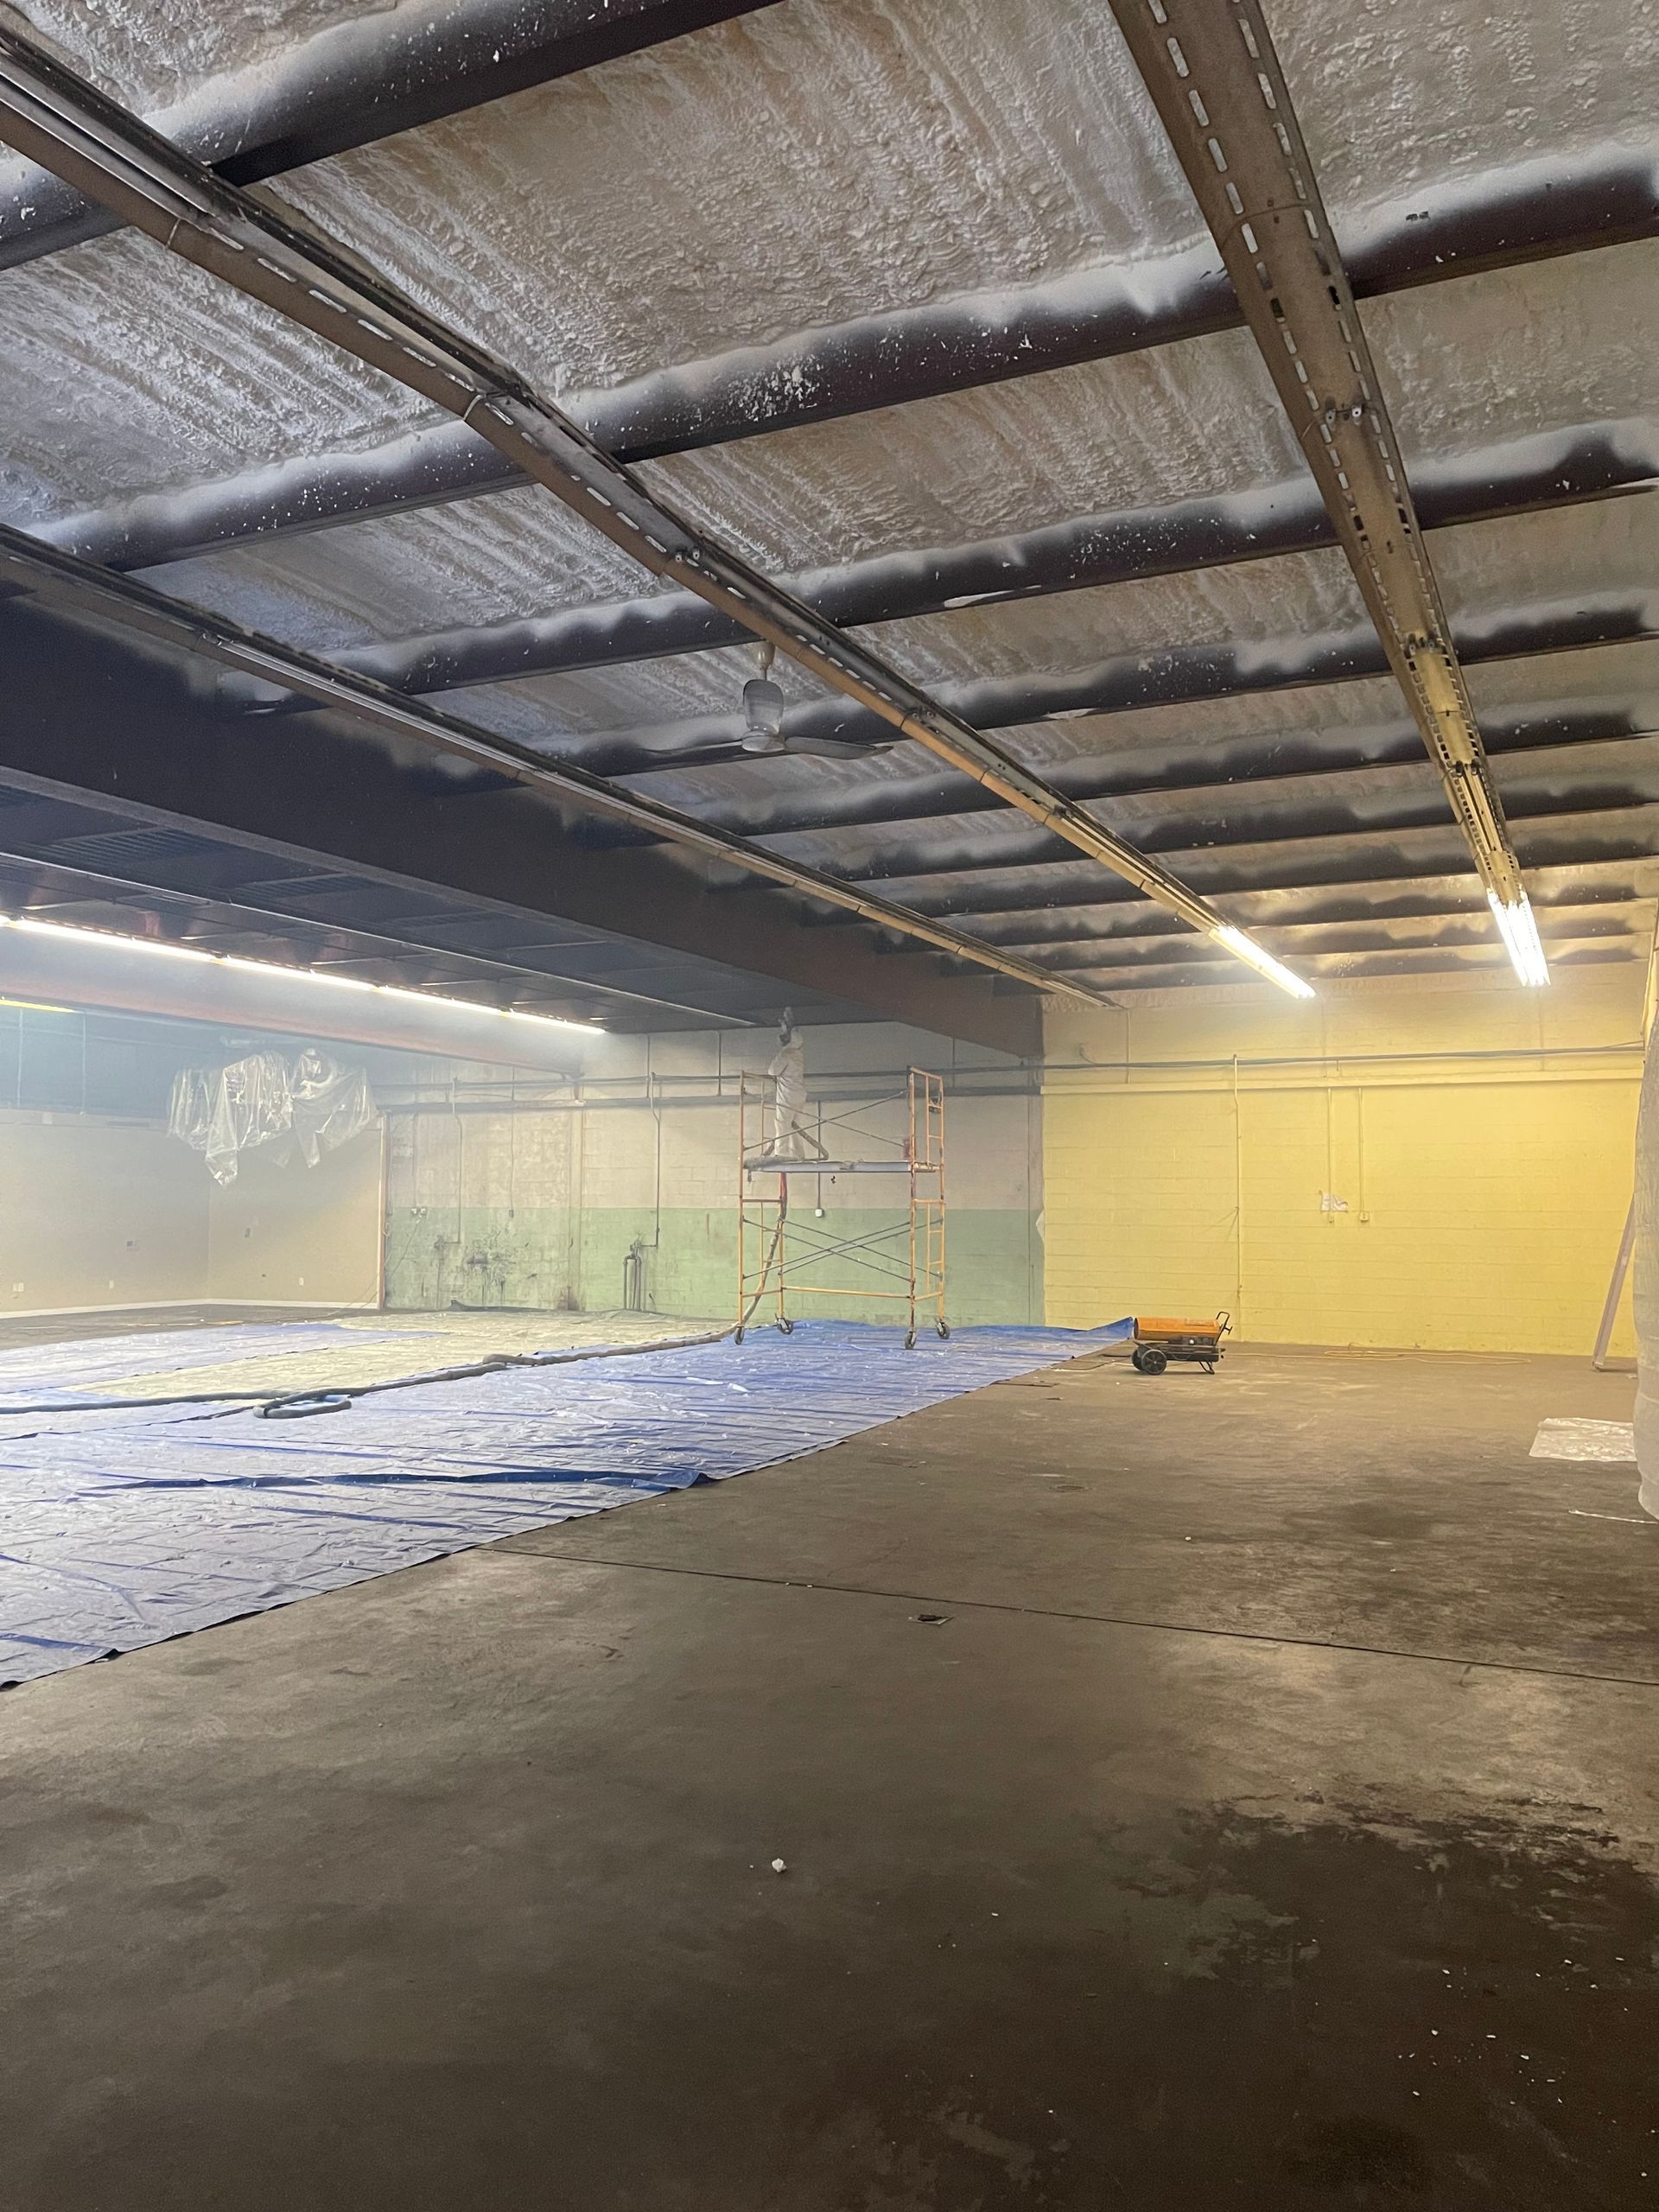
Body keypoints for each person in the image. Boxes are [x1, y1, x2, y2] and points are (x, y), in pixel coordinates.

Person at [765, 1009, 827, 1161]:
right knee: (795, 1125)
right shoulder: (799, 1054)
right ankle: (798, 1154)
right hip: (799, 1094)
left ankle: (781, 1152)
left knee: (782, 1122)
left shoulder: (786, 1054)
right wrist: (787, 1025)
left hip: (788, 1094)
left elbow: (772, 1071)